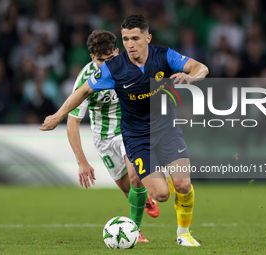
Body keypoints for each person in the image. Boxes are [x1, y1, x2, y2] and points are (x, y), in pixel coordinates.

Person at [40, 15, 209, 246]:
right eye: (126, 38)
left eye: (135, 38)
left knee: (183, 185)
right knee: (161, 194)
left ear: (147, 38)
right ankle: (155, 190)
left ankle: (183, 234)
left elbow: (201, 68)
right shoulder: (112, 69)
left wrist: (191, 77)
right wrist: (57, 116)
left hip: (166, 129)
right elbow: (80, 92)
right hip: (135, 135)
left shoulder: (164, 55)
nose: (130, 44)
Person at [65, 30, 159, 242]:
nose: (106, 64)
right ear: (92, 58)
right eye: (100, 61)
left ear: (117, 51)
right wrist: (82, 162)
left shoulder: (133, 66)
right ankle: (144, 198)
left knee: (136, 177)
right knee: (128, 188)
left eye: (111, 59)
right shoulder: (85, 79)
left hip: (130, 129)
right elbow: (73, 122)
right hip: (104, 139)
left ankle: (135, 230)